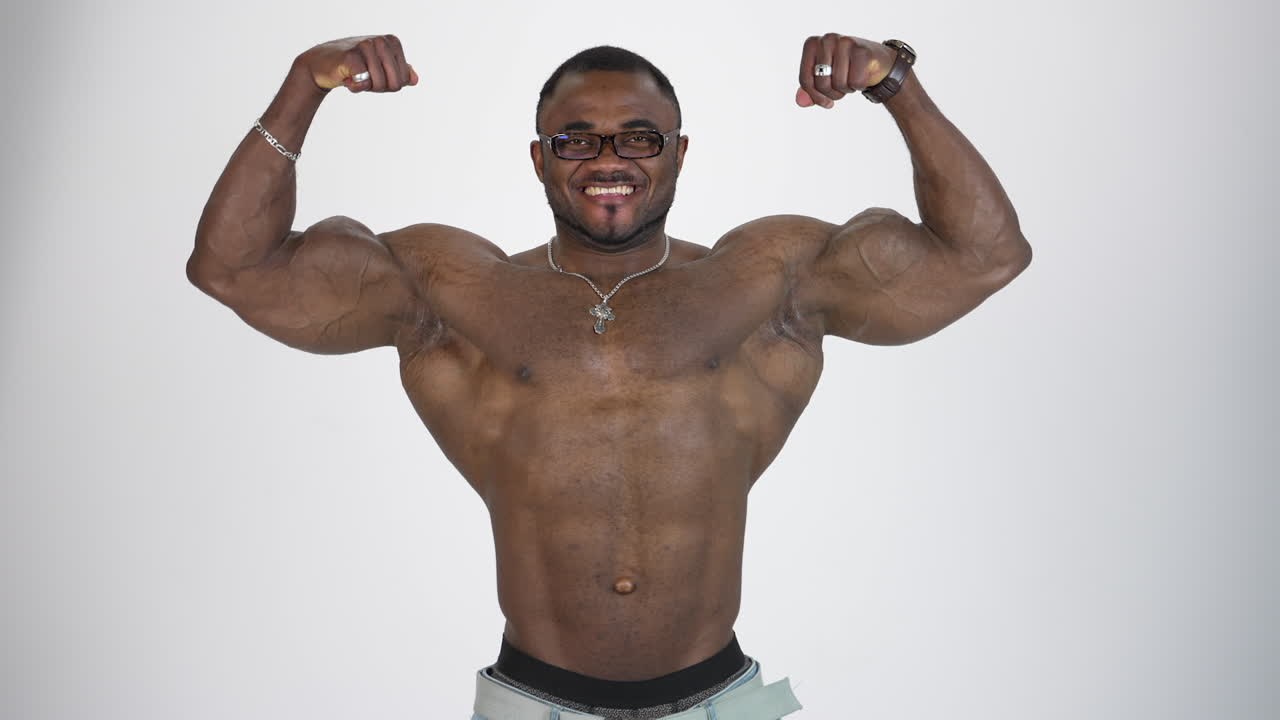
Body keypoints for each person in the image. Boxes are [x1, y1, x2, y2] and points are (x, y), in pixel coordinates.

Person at [187, 31, 1031, 720]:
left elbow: (986, 257)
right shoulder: (453, 292)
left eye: (639, 136)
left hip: (719, 702)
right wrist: (304, 84)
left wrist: (895, 85)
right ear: (539, 158)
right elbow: (233, 269)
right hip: (532, 702)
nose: (607, 158)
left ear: (678, 153)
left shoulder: (768, 282)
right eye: (575, 139)